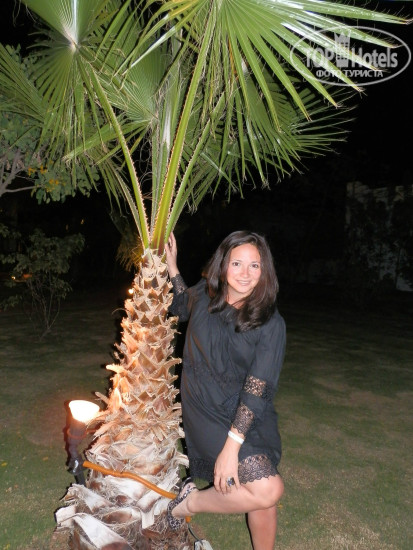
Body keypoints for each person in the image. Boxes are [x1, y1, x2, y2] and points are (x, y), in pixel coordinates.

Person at [164, 230, 286, 550]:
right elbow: (181, 306)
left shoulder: (270, 323)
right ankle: (188, 504)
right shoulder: (205, 295)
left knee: (262, 491)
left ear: (264, 270)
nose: (245, 273)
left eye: (254, 265)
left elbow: (258, 389)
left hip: (247, 411)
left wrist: (231, 448)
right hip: (205, 409)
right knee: (268, 489)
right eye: (237, 263)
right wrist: (173, 266)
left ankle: (190, 501)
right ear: (223, 265)